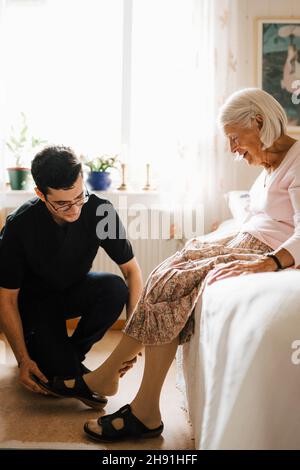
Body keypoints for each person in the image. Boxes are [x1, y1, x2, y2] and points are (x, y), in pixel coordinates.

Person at [37, 88, 300, 441]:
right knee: (166, 271)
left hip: (265, 250)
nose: (233, 149)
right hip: (246, 240)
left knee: (174, 283)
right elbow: (255, 219)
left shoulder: (297, 160)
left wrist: (270, 263)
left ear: (258, 121)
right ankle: (128, 394)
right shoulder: (271, 165)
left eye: (235, 138)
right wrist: (210, 242)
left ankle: (128, 396)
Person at [0, 146, 143, 408]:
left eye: (79, 197)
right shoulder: (19, 225)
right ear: (40, 194)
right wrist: (23, 359)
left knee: (114, 288)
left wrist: (133, 335)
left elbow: (131, 271)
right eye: (63, 203)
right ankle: (62, 363)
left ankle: (69, 357)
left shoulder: (101, 211)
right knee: (55, 376)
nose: (75, 208)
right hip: (34, 306)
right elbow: (6, 299)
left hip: (73, 291)